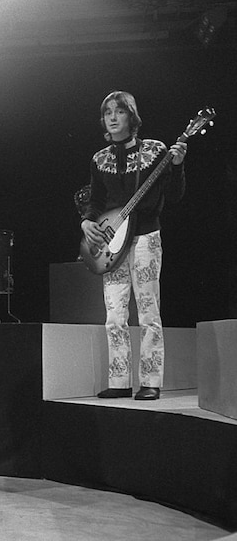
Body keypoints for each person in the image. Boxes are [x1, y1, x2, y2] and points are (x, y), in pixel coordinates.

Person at [81, 90, 187, 401]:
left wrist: (178, 165)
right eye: (107, 113)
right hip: (112, 242)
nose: (112, 118)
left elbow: (176, 196)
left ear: (132, 116)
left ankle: (151, 381)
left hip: (145, 238)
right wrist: (87, 222)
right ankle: (119, 381)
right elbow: (96, 201)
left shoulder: (155, 151)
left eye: (119, 112)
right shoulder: (99, 159)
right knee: (114, 314)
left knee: (148, 311)